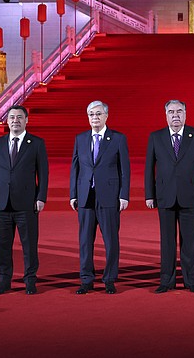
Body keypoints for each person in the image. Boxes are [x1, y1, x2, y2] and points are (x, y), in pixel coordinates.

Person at [144, 99, 194, 294]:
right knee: (167, 241)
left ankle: (192, 280)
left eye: (179, 111)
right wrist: (150, 194)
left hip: (190, 194)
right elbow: (149, 168)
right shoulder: (156, 137)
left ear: (185, 114)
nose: (175, 115)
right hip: (164, 195)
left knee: (190, 241)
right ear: (165, 115)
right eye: (171, 112)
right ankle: (167, 280)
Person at [0, 105, 49, 295]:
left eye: (19, 117)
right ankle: (4, 281)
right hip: (1, 202)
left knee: (29, 245)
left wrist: (41, 197)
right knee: (2, 245)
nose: (15, 120)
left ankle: (30, 280)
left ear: (26, 120)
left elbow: (43, 173)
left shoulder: (36, 143)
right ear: (7, 120)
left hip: (27, 202)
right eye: (12, 117)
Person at [70, 100, 130, 295]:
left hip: (109, 197)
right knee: (85, 241)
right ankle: (86, 280)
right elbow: (75, 168)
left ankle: (110, 279)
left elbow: (124, 170)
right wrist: (73, 194)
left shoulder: (118, 138)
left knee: (111, 240)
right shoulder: (80, 138)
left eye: (98, 114)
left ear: (106, 116)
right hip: (85, 196)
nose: (94, 118)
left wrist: (124, 195)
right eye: (91, 114)